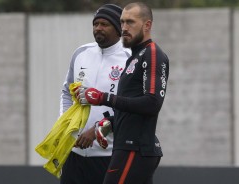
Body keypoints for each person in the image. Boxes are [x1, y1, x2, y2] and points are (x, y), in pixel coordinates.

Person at [75, 2, 169, 184]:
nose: (124, 28)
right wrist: (109, 123)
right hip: (126, 147)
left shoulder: (152, 54)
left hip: (134, 148)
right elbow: (132, 104)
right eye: (122, 22)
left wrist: (104, 97)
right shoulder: (134, 57)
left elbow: (152, 103)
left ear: (147, 25)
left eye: (130, 22)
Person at [59, 4, 131, 184]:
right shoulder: (82, 52)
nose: (98, 28)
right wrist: (67, 125)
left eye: (104, 24)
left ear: (118, 29)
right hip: (74, 154)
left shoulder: (130, 58)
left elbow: (131, 106)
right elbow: (67, 92)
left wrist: (99, 130)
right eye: (95, 23)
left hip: (109, 155)